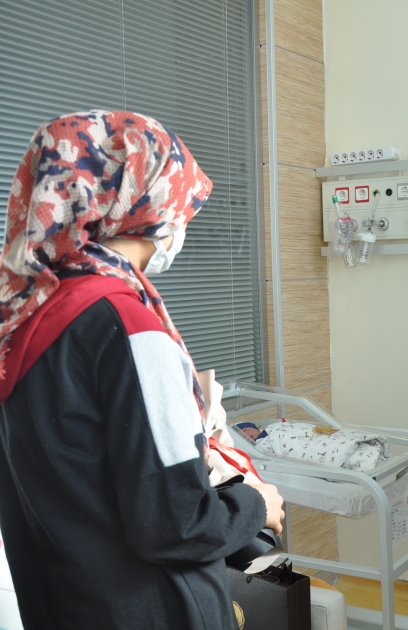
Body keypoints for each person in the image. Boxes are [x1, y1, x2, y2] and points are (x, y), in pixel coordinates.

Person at [0, 110, 285, 630]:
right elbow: (176, 523)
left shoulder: (22, 322)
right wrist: (254, 504)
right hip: (154, 609)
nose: (181, 225)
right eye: (181, 206)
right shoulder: (127, 326)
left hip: (62, 604)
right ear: (140, 200)